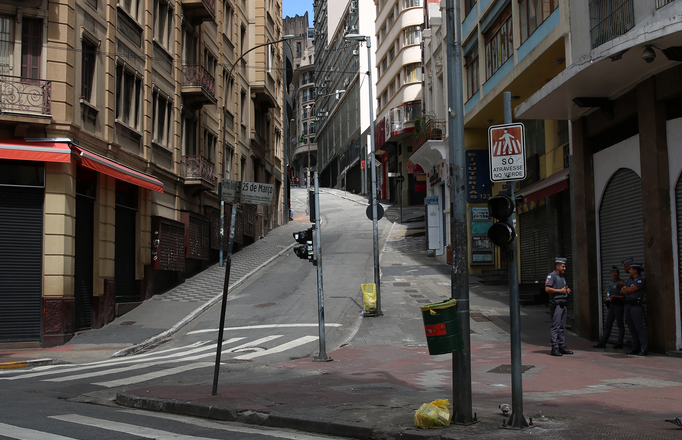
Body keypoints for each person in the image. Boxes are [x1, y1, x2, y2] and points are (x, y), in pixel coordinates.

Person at [545, 257, 573, 356]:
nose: (564, 268)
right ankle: (554, 347)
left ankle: (562, 346)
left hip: (563, 304)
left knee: (562, 327)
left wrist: (567, 290)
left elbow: (562, 288)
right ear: (557, 267)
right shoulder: (552, 276)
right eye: (563, 266)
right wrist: (560, 291)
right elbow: (547, 289)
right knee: (556, 326)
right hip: (556, 304)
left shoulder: (561, 277)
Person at [593, 266, 625, 349]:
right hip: (612, 305)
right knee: (608, 324)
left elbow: (625, 295)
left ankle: (620, 343)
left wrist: (615, 296)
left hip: (619, 305)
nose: (614, 274)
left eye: (616, 272)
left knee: (619, 324)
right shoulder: (611, 284)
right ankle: (602, 342)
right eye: (612, 272)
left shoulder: (621, 283)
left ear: (618, 273)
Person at [621, 262, 648, 356]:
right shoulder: (630, 280)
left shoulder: (640, 281)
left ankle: (643, 348)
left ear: (635, 270)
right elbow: (622, 291)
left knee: (639, 327)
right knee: (631, 328)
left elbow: (629, 290)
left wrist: (626, 288)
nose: (629, 270)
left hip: (636, 306)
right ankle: (635, 347)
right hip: (628, 306)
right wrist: (625, 288)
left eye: (631, 269)